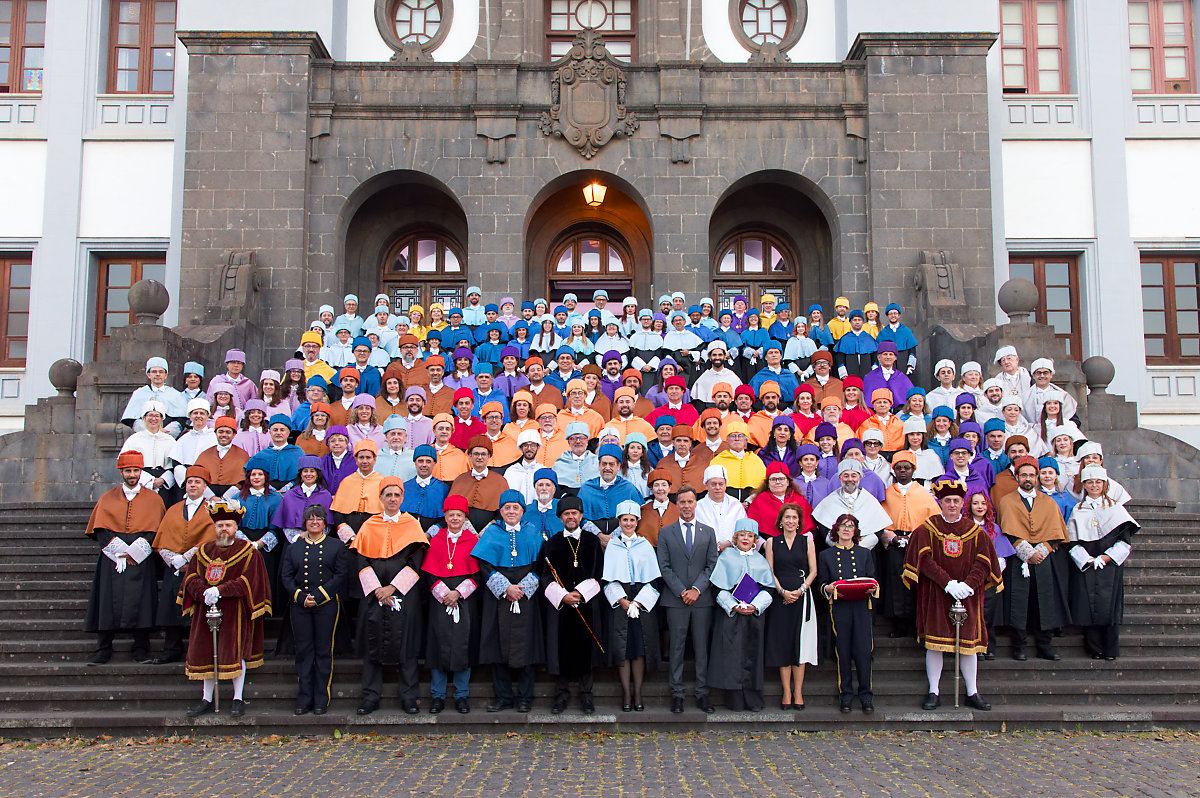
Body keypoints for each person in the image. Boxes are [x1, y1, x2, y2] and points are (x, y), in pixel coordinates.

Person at [902, 479, 1003, 711]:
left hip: (968, 595)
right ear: (940, 502)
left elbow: (984, 561)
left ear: (962, 503)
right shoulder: (928, 528)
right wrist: (947, 583)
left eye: (956, 501)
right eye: (947, 501)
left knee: (968, 644)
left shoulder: (975, 532)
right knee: (935, 644)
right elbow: (923, 560)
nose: (952, 505)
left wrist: (968, 585)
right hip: (937, 593)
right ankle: (933, 691)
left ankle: (972, 691)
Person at [179, 501, 271, 718]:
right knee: (205, 651)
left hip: (234, 610)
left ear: (236, 528)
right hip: (205, 610)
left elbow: (250, 580)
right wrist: (204, 591)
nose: (224, 529)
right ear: (214, 527)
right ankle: (206, 698)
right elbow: (190, 576)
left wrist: (221, 590)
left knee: (234, 651)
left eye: (228, 525)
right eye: (220, 525)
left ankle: (238, 698)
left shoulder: (248, 552)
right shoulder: (202, 551)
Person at [350, 477, 429, 715]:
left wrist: (393, 588)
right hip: (374, 594)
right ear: (381, 498)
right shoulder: (369, 525)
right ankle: (370, 696)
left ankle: (408, 696)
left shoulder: (412, 525)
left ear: (402, 498)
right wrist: (377, 589)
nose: (392, 499)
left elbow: (416, 562)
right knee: (372, 642)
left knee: (407, 644)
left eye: (396, 495)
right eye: (388, 495)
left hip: (403, 594)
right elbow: (361, 560)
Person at [84, 451, 167, 665]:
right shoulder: (107, 497)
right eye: (128, 471)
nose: (132, 475)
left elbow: (157, 529)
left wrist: (137, 550)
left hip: (141, 557)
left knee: (142, 601)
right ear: (121, 472)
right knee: (106, 600)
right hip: (112, 558)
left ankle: (141, 648)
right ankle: (103, 648)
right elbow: (100, 528)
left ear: (141, 472)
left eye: (136, 470)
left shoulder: (153, 499)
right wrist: (117, 549)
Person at [474, 489, 545, 713]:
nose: (511, 511)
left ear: (523, 510)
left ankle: (525, 697)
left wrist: (523, 588)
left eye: (516, 508)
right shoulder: (492, 532)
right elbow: (485, 565)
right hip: (499, 596)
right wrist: (505, 588)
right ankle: (503, 696)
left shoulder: (532, 532)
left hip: (526, 594)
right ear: (501, 511)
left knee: (526, 643)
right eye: (507, 508)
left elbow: (541, 563)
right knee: (498, 644)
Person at [995, 455, 1072, 661]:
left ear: (1037, 477)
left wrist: (1042, 550)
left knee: (1044, 601)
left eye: (1031, 475)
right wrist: (1026, 552)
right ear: (1017, 476)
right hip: (1018, 559)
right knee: (1018, 602)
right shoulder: (1007, 501)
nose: (1028, 478)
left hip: (1044, 559)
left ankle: (1044, 644)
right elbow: (1006, 530)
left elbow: (1056, 532)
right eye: (1023, 475)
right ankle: (1019, 645)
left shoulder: (1048, 502)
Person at [539, 494, 605, 715]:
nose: (570, 517)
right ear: (560, 517)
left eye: (574, 513)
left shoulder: (592, 541)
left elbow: (599, 574)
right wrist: (563, 596)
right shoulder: (552, 543)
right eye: (566, 514)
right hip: (561, 606)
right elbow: (546, 576)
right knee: (562, 649)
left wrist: (580, 593)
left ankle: (586, 694)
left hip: (586, 603)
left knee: (585, 649)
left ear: (581, 515)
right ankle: (561, 694)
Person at [279, 504, 347, 715]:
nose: (314, 522)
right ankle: (304, 698)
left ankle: (321, 698)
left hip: (326, 605)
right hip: (300, 606)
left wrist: (318, 597)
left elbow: (340, 575)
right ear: (305, 522)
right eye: (310, 519)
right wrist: (300, 597)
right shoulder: (294, 548)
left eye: (318, 518)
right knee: (303, 651)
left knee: (323, 651)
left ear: (324, 522)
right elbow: (286, 577)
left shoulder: (335, 546)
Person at [1067, 465, 1140, 660]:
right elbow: (1072, 542)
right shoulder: (1077, 510)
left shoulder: (1116, 508)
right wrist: (1087, 559)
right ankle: (1094, 648)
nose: (1094, 485)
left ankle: (1110, 649)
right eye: (1090, 482)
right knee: (1087, 605)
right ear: (1084, 485)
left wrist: (1106, 558)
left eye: (1098, 482)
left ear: (1104, 484)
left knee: (1110, 606)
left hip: (1110, 565)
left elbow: (1124, 542)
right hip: (1088, 563)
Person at [655, 485, 717, 714]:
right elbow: (664, 567)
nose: (686, 506)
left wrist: (697, 590)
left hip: (701, 599)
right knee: (676, 648)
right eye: (682, 502)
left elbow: (712, 565)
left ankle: (702, 693)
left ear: (696, 504)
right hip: (675, 599)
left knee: (702, 648)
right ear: (677, 504)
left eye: (690, 502)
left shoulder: (708, 532)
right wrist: (682, 591)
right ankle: (677, 693)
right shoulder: (666, 532)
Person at [150, 465, 217, 665]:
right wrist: (173, 559)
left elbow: (211, 538)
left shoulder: (212, 510)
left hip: (201, 569)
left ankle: (198, 651)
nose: (193, 485)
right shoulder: (173, 509)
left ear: (205, 486)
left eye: (197, 482)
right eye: (190, 482)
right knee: (172, 607)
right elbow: (162, 538)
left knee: (198, 610)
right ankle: (171, 649)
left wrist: (187, 558)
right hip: (174, 569)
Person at [422, 495, 482, 714]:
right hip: (440, 599)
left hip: (463, 600)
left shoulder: (473, 541)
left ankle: (461, 695)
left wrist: (457, 593)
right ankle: (437, 696)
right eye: (450, 515)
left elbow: (477, 575)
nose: (454, 519)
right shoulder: (436, 540)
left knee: (462, 646)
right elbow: (428, 573)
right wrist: (444, 593)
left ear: (465, 518)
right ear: (445, 517)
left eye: (459, 515)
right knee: (438, 645)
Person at [600, 501, 662, 712]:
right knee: (623, 648)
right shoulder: (613, 547)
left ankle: (638, 692)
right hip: (621, 600)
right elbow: (607, 579)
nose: (628, 523)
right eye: (625, 520)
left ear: (637, 522)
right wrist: (623, 601)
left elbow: (653, 580)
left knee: (640, 647)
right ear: (620, 522)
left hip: (641, 599)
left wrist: (638, 602)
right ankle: (626, 692)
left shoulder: (645, 545)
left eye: (632, 520)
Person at [708, 519, 775, 711]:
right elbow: (717, 588)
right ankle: (735, 698)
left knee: (752, 656)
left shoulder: (760, 560)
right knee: (732, 656)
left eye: (750, 535)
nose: (746, 538)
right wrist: (733, 606)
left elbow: (768, 589)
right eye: (742, 535)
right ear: (736, 537)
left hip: (754, 616)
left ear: (755, 539)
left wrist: (755, 606)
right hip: (731, 616)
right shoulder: (726, 557)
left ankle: (753, 698)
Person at [818, 513, 878, 714]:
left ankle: (866, 696)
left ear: (855, 531)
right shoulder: (826, 555)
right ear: (835, 530)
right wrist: (828, 588)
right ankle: (846, 696)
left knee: (863, 652)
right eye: (843, 526)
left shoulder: (864, 554)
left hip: (861, 607)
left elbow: (873, 580)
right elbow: (822, 584)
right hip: (840, 607)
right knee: (842, 653)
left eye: (850, 526)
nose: (846, 529)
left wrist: (872, 589)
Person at [878, 452, 940, 638]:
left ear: (914, 470)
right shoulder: (887, 493)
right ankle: (898, 624)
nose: (903, 471)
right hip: (895, 542)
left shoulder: (924, 494)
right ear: (893, 470)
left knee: (916, 582)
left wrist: (916, 536)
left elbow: (933, 521)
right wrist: (890, 537)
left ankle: (916, 624)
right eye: (899, 468)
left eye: (907, 468)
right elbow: (880, 520)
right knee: (895, 582)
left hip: (918, 542)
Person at [764, 502, 818, 710]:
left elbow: (813, 570)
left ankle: (798, 692)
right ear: (781, 520)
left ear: (799, 522)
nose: (790, 521)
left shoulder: (807, 541)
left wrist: (801, 590)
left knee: (800, 643)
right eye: (787, 517)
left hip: (802, 595)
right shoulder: (771, 542)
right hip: (781, 597)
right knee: (783, 643)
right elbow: (770, 570)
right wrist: (782, 592)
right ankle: (786, 691)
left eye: (794, 518)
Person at [811, 460, 892, 550]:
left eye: (854, 476)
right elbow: (824, 529)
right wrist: (840, 545)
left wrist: (860, 546)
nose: (850, 479)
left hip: (864, 552)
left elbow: (878, 530)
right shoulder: (830, 501)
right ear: (840, 478)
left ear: (859, 478)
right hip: (836, 552)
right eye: (846, 476)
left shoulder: (870, 500)